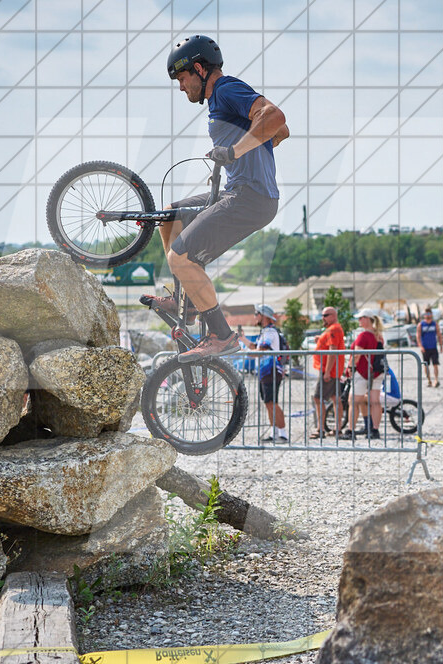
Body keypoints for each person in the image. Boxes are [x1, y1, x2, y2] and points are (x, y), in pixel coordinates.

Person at [142, 35, 289, 363]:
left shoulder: (225, 90)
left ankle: (222, 335)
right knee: (170, 216)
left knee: (180, 258)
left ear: (198, 69)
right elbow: (281, 133)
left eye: (181, 79)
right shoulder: (221, 99)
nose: (181, 88)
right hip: (241, 190)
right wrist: (249, 152)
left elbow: (276, 118)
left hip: (250, 197)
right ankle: (189, 298)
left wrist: (235, 151)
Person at [242, 304, 287, 443]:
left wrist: (246, 354)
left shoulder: (270, 333)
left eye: (257, 313)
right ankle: (275, 433)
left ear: (263, 316)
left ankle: (283, 434)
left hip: (271, 371)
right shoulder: (265, 332)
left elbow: (260, 351)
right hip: (265, 372)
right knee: (269, 403)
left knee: (272, 402)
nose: (255, 316)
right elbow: (255, 347)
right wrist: (242, 338)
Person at [343, 309, 384, 440]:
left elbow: (357, 355)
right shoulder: (379, 335)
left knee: (353, 401)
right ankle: (375, 430)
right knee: (375, 401)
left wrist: (350, 367)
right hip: (377, 371)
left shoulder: (363, 336)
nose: (359, 321)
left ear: (367, 319)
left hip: (362, 372)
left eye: (361, 318)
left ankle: (350, 431)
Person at [311, 306, 345, 439]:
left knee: (318, 398)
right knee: (336, 399)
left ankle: (320, 429)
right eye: (322, 315)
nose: (323, 318)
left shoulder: (334, 329)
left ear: (333, 316)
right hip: (333, 371)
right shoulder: (332, 330)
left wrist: (327, 372)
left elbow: (333, 351)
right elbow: (332, 343)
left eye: (326, 315)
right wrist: (321, 339)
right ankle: (337, 428)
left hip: (329, 371)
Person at [416, 308, 442, 387]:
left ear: (431, 314)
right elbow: (418, 336)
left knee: (435, 364)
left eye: (429, 314)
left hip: (433, 347)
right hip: (425, 348)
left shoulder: (435, 324)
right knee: (426, 365)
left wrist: (441, 346)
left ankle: (436, 380)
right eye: (426, 314)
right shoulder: (421, 324)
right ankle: (429, 380)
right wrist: (420, 346)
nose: (428, 316)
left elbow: (439, 335)